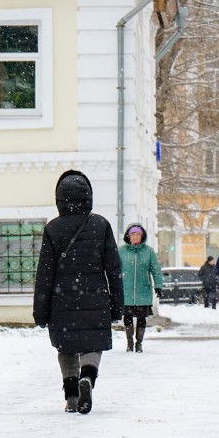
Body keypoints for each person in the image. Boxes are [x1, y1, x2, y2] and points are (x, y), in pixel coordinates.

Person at [33, 170, 123, 414]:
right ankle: (88, 377)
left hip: (62, 299)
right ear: (88, 196)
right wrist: (117, 305)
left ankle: (72, 395)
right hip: (95, 296)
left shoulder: (53, 228)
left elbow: (44, 274)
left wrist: (40, 311)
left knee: (67, 347)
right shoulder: (100, 225)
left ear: (60, 198)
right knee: (93, 343)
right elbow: (113, 268)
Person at [118, 223, 163, 353]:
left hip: (143, 290)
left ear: (142, 236)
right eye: (133, 234)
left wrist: (158, 286)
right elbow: (114, 270)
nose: (135, 237)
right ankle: (129, 342)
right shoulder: (121, 251)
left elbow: (156, 270)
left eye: (138, 234)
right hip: (126, 290)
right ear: (128, 236)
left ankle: (139, 343)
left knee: (141, 318)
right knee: (127, 317)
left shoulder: (148, 251)